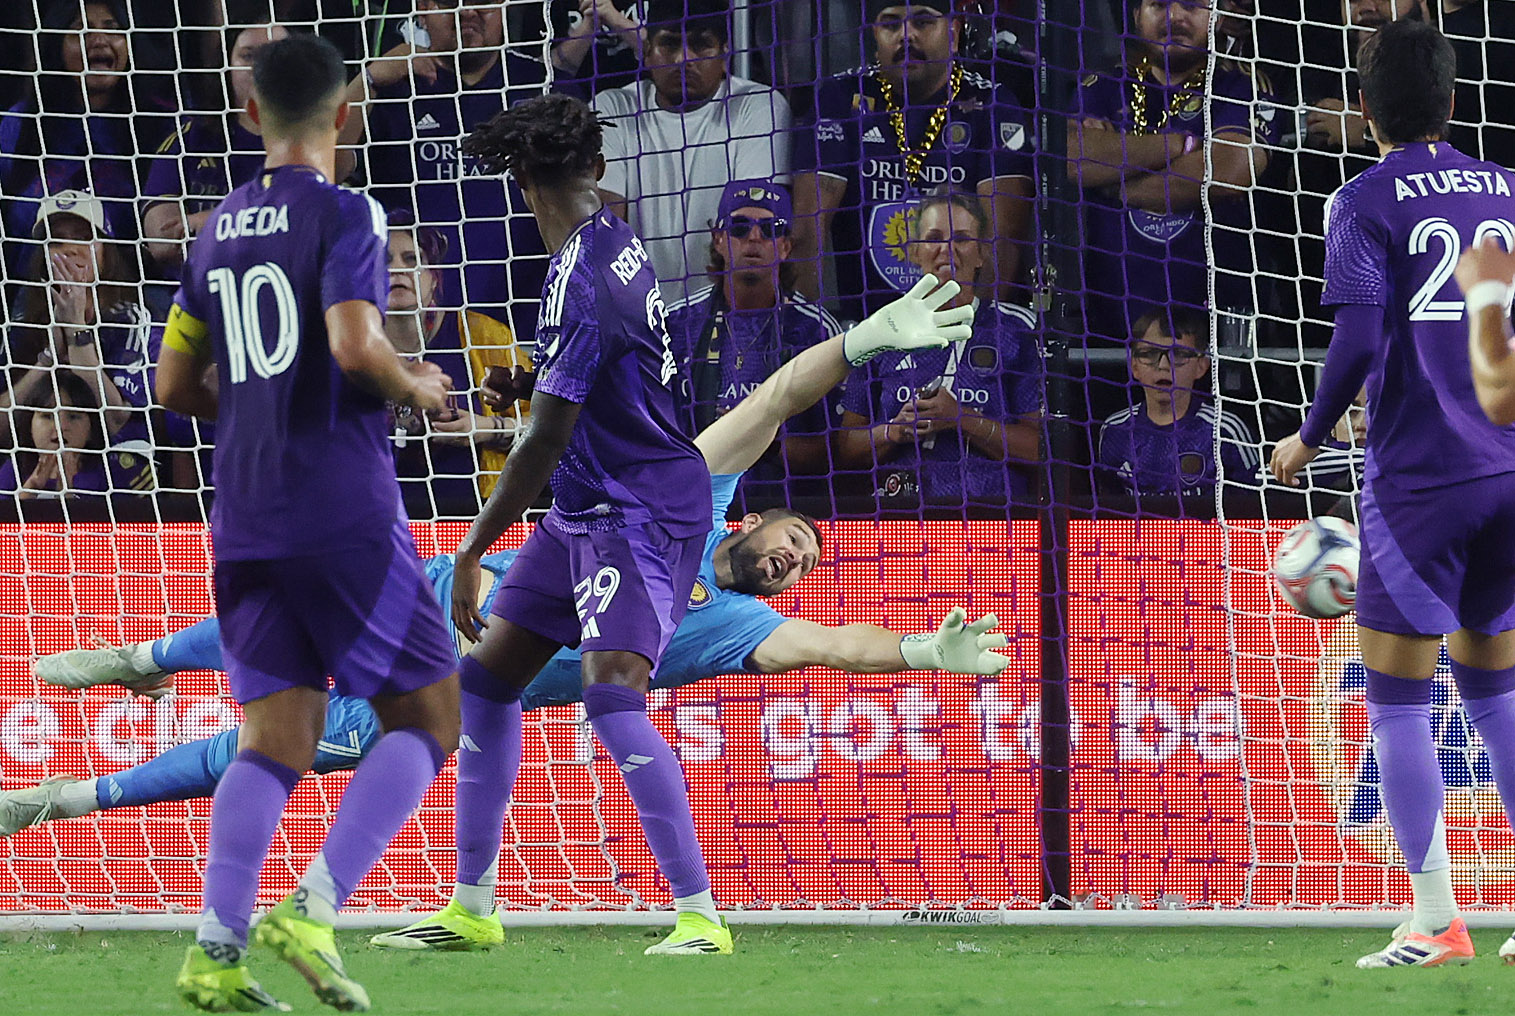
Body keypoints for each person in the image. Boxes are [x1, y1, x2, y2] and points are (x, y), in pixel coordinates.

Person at [13, 331, 1010, 917]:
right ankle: (139, 659)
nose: (792, 559)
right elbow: (780, 394)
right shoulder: (690, 490)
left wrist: (922, 647)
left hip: (437, 696)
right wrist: (863, 340)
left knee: (262, 746)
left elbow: (835, 647)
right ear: (750, 518)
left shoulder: (731, 625)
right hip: (459, 600)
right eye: (792, 537)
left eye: (800, 566)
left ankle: (65, 793)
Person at [444, 91, 972, 958]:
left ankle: (699, 918)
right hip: (588, 503)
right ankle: (470, 907)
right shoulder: (614, 248)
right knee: (488, 684)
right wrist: (534, 385)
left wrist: (473, 548)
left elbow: (547, 436)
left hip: (636, 510)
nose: (789, 562)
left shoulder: (584, 278)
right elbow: (603, 382)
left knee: (612, 695)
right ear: (600, 170)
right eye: (794, 545)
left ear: (518, 177)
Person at [154, 34, 457, 1011]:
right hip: (337, 504)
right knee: (432, 713)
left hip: (239, 512)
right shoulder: (348, 210)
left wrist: (254, 403)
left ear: (250, 117)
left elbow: (170, 386)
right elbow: (354, 342)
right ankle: (314, 905)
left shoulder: (213, 228)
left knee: (275, 737)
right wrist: (418, 385)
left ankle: (214, 950)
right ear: (345, 117)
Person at [1268, 20, 1515, 969]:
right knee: (1495, 694)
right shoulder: (1503, 191)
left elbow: (1362, 341)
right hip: (1506, 466)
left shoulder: (1363, 199)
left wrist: (1308, 432)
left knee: (1398, 704)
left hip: (1422, 480)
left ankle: (1436, 918)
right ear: (1453, 102)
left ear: (1364, 109)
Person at [791, 0, 1034, 322]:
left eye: (922, 22)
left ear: (954, 30)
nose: (906, 36)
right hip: (866, 327)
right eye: (891, 24)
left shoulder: (992, 103)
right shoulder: (840, 98)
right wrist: (813, 331)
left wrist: (976, 334)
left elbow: (1003, 239)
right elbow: (809, 231)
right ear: (874, 34)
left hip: (957, 325)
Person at [1067, 0, 1280, 339]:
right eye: (1160, 4)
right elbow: (1073, 158)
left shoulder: (1241, 85)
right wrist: (1178, 146)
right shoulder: (1102, 86)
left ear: (1218, 17)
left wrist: (1119, 183)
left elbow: (1229, 171)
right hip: (1108, 324)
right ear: (1137, 15)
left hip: (1217, 329)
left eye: (1193, 5)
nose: (1176, 16)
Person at [341, 0, 549, 336]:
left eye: (482, 1)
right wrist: (369, 78)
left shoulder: (543, 86)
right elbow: (325, 172)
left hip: (523, 334)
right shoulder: (389, 91)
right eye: (450, 2)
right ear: (422, 9)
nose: (467, 11)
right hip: (414, 337)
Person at [835, 190, 1042, 506]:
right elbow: (846, 449)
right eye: (934, 238)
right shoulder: (880, 330)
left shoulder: (1018, 330)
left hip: (993, 519)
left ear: (981, 254)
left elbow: (1040, 450)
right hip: (898, 517)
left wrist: (961, 418)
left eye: (961, 239)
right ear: (915, 251)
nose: (947, 250)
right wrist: (894, 430)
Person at [593, 0, 792, 304]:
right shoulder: (615, 108)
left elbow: (753, 229)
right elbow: (608, 226)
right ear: (646, 52)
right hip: (638, 310)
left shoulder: (758, 105)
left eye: (700, 45)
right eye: (669, 44)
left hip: (725, 310)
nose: (684, 58)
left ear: (725, 53)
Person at [666, 179, 841, 504]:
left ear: (786, 246)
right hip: (688, 505)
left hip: (784, 510)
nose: (754, 238)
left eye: (771, 229)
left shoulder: (815, 331)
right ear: (718, 239)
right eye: (740, 227)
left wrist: (757, 435)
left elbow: (834, 451)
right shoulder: (676, 324)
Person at [0, 0, 174, 283]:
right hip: (30, 302)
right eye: (81, 30)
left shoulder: (162, 125)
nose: (99, 40)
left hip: (134, 299)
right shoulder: (19, 124)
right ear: (56, 45)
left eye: (113, 29)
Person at [3, 191, 157, 492]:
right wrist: (48, 360)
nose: (71, 250)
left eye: (83, 238)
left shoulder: (130, 319)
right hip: (33, 456)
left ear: (105, 250)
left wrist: (76, 330)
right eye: (57, 240)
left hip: (113, 462)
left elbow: (115, 418)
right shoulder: (23, 317)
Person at [381, 210, 530, 514]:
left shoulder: (483, 337)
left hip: (475, 518)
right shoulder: (348, 345)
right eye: (384, 260)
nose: (397, 269)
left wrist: (484, 428)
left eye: (412, 259)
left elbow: (557, 428)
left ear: (434, 278)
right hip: (376, 521)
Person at [140, 22, 286, 278]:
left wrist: (208, 221)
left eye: (275, 55)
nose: (261, 67)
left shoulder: (311, 143)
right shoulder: (190, 139)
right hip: (194, 298)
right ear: (228, 65)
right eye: (249, 56)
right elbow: (163, 243)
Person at [1097, 308, 1260, 496]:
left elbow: (1251, 512)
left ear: (1201, 366)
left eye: (1178, 354)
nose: (1163, 366)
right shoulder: (1115, 430)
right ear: (1134, 367)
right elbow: (1108, 514)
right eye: (1149, 354)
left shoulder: (1225, 431)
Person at [0, 370, 110, 499]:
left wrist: (66, 492)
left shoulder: (107, 472)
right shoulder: (15, 468)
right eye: (47, 416)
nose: (61, 426)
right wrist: (32, 487)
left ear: (91, 429)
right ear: (29, 425)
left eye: (73, 417)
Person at [549, 0, 646, 97]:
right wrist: (589, 25)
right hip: (579, 99)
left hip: (647, 94)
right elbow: (556, 69)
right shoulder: (554, 5)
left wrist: (615, 19)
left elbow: (654, 49)